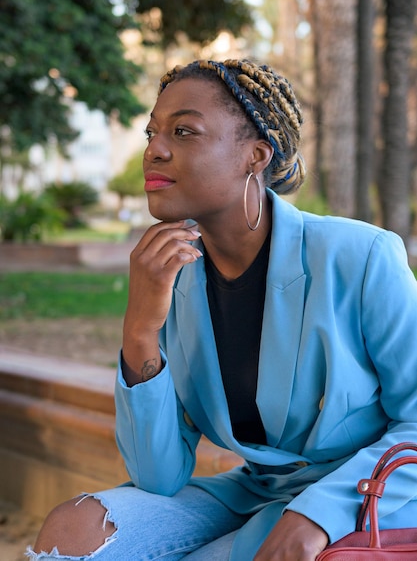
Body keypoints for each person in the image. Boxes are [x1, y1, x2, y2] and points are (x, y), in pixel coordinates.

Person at [28, 59, 417, 561]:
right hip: (254, 492)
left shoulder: (360, 258)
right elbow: (158, 475)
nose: (154, 150)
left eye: (183, 131)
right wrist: (141, 327)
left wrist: (318, 514)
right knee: (74, 531)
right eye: (153, 132)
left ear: (255, 156)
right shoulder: (174, 274)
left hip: (366, 496)